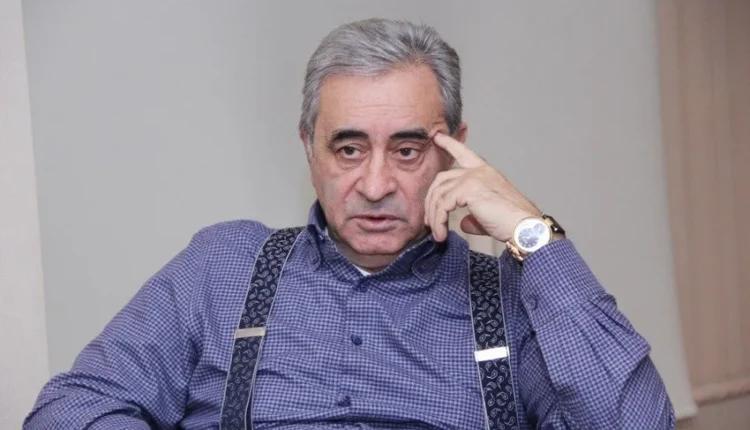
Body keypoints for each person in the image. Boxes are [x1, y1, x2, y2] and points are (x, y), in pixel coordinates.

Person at [25, 18, 675, 430]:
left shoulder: (512, 297)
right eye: (348, 148)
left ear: (455, 149)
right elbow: (71, 410)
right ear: (308, 148)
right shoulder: (222, 266)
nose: (375, 185)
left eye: (408, 150)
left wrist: (534, 234)